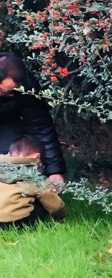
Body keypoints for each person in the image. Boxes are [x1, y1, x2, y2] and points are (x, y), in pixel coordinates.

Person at [0, 51, 67, 189]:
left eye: (14, 92)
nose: (11, 95)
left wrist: (54, 170)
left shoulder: (28, 87)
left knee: (15, 155)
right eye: (5, 92)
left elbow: (40, 125)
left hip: (7, 123)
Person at [0, 136, 66, 227]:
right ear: (37, 157)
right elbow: (56, 207)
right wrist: (62, 217)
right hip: (17, 222)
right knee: (42, 201)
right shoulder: (34, 175)